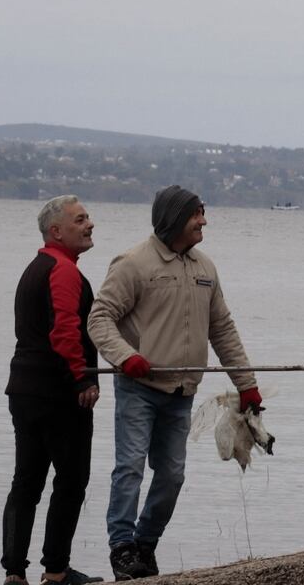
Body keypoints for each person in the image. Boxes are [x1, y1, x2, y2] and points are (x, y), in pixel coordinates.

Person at [87, 185, 261, 580]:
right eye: (197, 214)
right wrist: (125, 357)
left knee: (172, 475)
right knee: (130, 467)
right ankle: (121, 548)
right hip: (139, 388)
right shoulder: (133, 263)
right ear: (174, 219)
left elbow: (223, 329)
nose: (204, 220)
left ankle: (144, 545)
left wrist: (246, 384)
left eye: (203, 212)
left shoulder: (205, 268)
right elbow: (99, 319)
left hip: (183, 392)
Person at [1, 195, 103, 585]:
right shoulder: (62, 270)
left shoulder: (35, 267)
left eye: (88, 217)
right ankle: (56, 571)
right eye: (80, 219)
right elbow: (64, 330)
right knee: (71, 481)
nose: (90, 224)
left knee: (26, 482)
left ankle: (14, 573)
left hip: (23, 390)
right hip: (58, 393)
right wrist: (82, 378)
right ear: (56, 231)